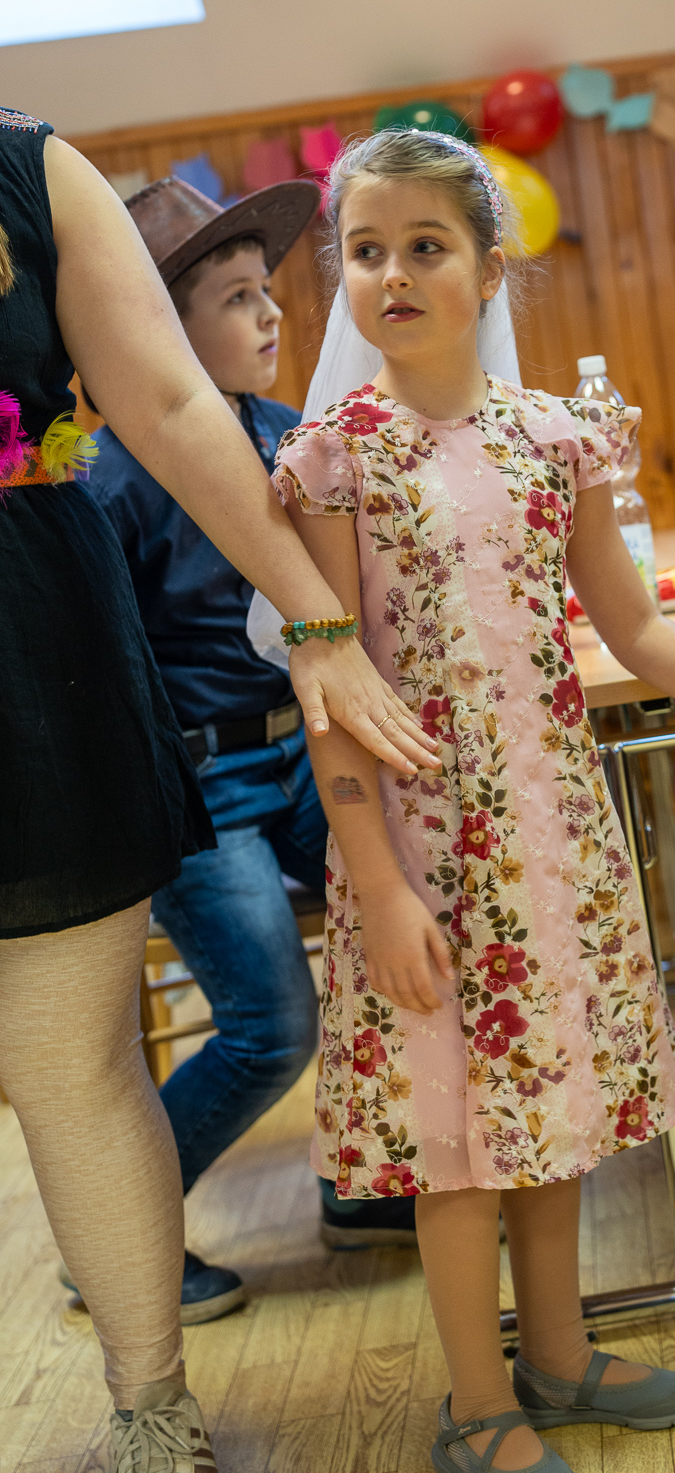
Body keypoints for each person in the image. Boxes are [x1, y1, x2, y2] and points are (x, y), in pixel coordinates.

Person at [273, 126, 675, 1473]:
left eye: (425, 246)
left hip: (552, 835)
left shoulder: (555, 439)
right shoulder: (333, 461)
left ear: (489, 269)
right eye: (364, 251)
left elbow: (638, 634)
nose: (392, 274)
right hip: (418, 853)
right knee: (455, 1137)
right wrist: (378, 886)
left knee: (547, 1107)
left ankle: (563, 1353)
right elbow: (329, 694)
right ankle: (478, 1406)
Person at [0, 109, 440, 1473]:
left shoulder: (30, 169)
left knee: (76, 1067)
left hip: (30, 664)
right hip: (177, 731)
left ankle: (152, 1410)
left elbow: (172, 405)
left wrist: (319, 623)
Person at [83, 177, 418, 1327]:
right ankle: (116, 1241)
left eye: (265, 290)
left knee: (413, 927)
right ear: (158, 331)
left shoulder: (291, 438)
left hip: (312, 752)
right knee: (272, 1024)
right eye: (235, 298)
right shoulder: (109, 481)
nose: (271, 313)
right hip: (202, 782)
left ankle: (363, 1179)